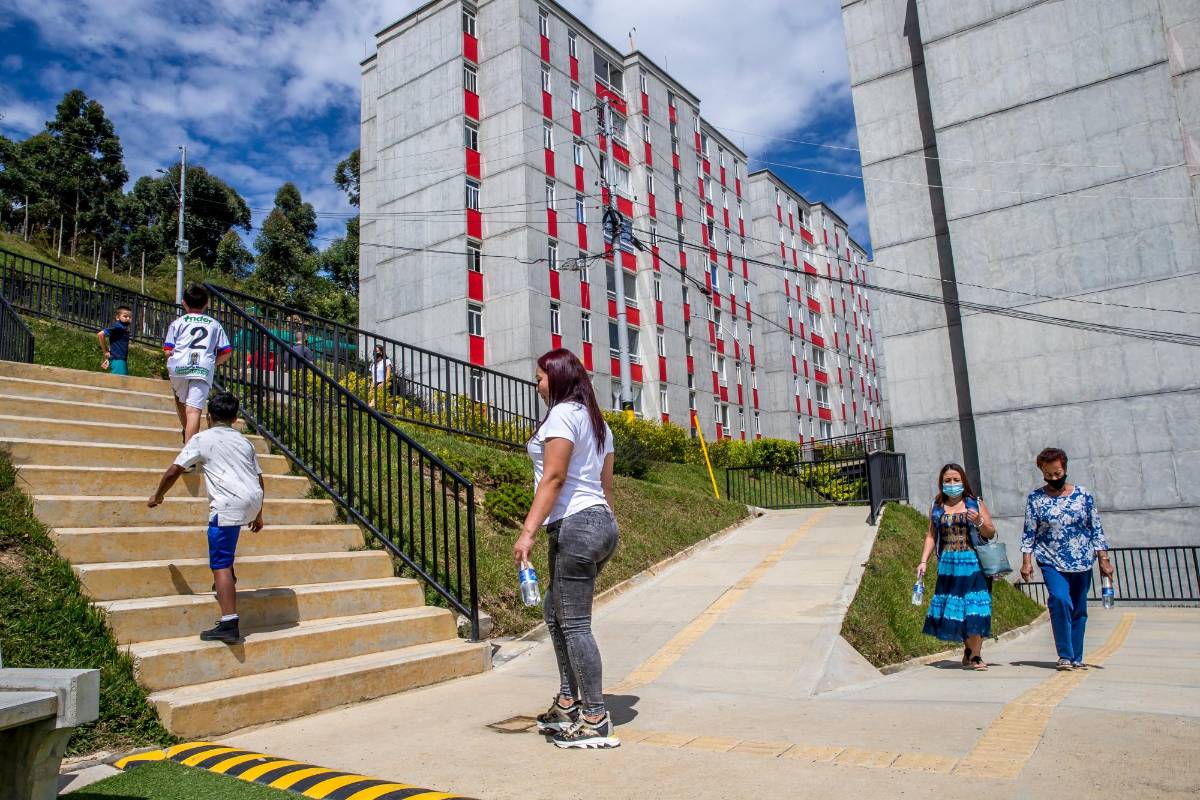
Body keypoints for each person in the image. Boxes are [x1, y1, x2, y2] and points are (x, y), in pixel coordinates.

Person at [514, 348, 619, 749]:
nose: (537, 383)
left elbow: (554, 477)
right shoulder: (598, 423)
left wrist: (528, 531)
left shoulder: (562, 414)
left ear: (556, 377)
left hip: (575, 525)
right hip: (599, 523)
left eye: (540, 376)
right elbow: (606, 487)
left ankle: (594, 716)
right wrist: (606, 524)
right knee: (555, 613)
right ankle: (568, 701)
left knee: (574, 623)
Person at [147, 392, 264, 643]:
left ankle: (229, 622)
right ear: (235, 418)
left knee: (219, 563)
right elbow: (259, 476)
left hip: (228, 505)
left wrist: (157, 496)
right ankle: (228, 580)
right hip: (253, 499)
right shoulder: (245, 442)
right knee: (227, 544)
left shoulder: (202, 438)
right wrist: (260, 513)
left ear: (208, 417)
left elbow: (174, 471)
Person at [1021, 447, 1113, 671]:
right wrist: (1026, 561)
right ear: (1042, 472)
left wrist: (1103, 559)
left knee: (1079, 609)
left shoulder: (1083, 495)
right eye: (1049, 474)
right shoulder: (1036, 499)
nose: (1054, 478)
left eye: (1058, 473)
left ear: (1065, 469)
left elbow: (1095, 528)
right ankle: (1064, 654)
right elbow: (1029, 532)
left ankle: (1076, 657)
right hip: (1051, 559)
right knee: (1060, 600)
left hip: (1081, 560)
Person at [917, 463, 997, 670]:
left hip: (973, 563)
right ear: (941, 483)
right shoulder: (936, 507)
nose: (952, 484)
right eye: (947, 481)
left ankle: (976, 655)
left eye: (956, 480)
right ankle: (969, 650)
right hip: (949, 565)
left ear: (963, 481)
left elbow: (990, 533)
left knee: (975, 606)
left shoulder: (974, 503)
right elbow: (931, 536)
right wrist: (923, 561)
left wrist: (979, 521)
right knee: (958, 609)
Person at [163, 285, 233, 443]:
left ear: (184, 303)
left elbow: (168, 350)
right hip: (202, 366)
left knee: (180, 398)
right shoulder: (214, 324)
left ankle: (187, 432)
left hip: (179, 366)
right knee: (194, 411)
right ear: (206, 304)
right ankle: (189, 455)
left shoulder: (178, 322)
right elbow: (226, 351)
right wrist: (213, 364)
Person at [96, 305, 132, 375]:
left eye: (130, 317)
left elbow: (115, 343)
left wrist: (108, 356)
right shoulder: (119, 327)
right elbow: (100, 334)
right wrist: (105, 352)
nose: (128, 318)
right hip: (118, 360)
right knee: (119, 383)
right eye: (125, 316)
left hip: (119, 360)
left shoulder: (123, 328)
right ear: (118, 317)